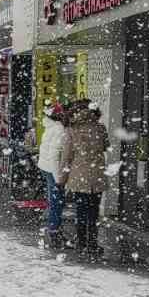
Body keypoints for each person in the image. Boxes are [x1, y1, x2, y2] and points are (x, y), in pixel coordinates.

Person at [60, 100, 111, 255]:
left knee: (81, 210)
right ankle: (92, 243)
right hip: (97, 176)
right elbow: (106, 147)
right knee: (93, 211)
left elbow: (66, 157)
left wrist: (61, 179)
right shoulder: (100, 128)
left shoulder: (72, 130)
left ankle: (81, 243)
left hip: (79, 176)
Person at [36, 102, 68, 249]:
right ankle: (54, 230)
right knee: (57, 201)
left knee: (53, 200)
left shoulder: (50, 127)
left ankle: (53, 228)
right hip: (53, 169)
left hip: (46, 167)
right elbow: (55, 155)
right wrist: (58, 178)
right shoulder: (59, 129)